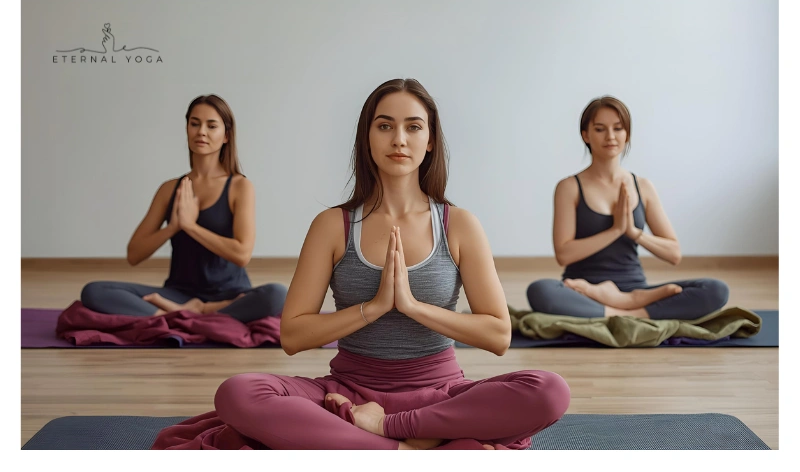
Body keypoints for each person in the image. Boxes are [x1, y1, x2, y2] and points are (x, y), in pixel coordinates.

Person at [157, 79, 570, 450]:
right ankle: (407, 450)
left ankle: (386, 430)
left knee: (549, 390)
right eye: (385, 125)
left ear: (430, 141)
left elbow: (498, 335)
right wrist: (371, 309)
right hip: (347, 393)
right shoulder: (332, 225)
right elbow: (293, 335)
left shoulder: (458, 224)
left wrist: (410, 306)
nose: (399, 139)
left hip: (439, 394)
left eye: (413, 127)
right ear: (367, 138)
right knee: (238, 393)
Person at [80, 94, 286, 324]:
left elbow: (241, 254)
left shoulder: (240, 186)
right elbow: (134, 254)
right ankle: (186, 314)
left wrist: (190, 226)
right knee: (94, 291)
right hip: (178, 294)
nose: (201, 132)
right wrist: (174, 227)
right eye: (194, 123)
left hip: (230, 295)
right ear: (187, 129)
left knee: (277, 294)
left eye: (211, 125)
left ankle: (192, 313)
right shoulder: (170, 189)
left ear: (226, 135)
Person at [526, 96, 729, 320]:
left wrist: (634, 233)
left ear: (627, 134)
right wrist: (614, 230)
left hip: (637, 289)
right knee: (541, 291)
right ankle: (634, 312)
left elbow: (674, 254)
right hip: (584, 290)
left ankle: (620, 309)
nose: (611, 137)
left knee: (715, 290)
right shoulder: (569, 187)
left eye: (618, 128)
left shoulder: (643, 187)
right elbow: (564, 255)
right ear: (586, 135)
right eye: (600, 129)